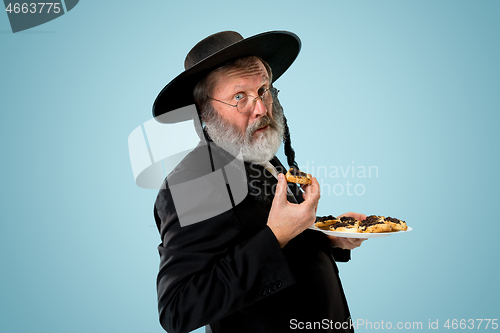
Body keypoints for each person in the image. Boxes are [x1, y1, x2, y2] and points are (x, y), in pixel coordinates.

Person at [152, 31, 366, 333]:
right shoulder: (195, 181)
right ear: (205, 111)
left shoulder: (259, 153)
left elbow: (265, 236)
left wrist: (329, 236)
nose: (261, 109)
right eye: (239, 97)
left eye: (263, 90)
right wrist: (275, 235)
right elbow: (180, 308)